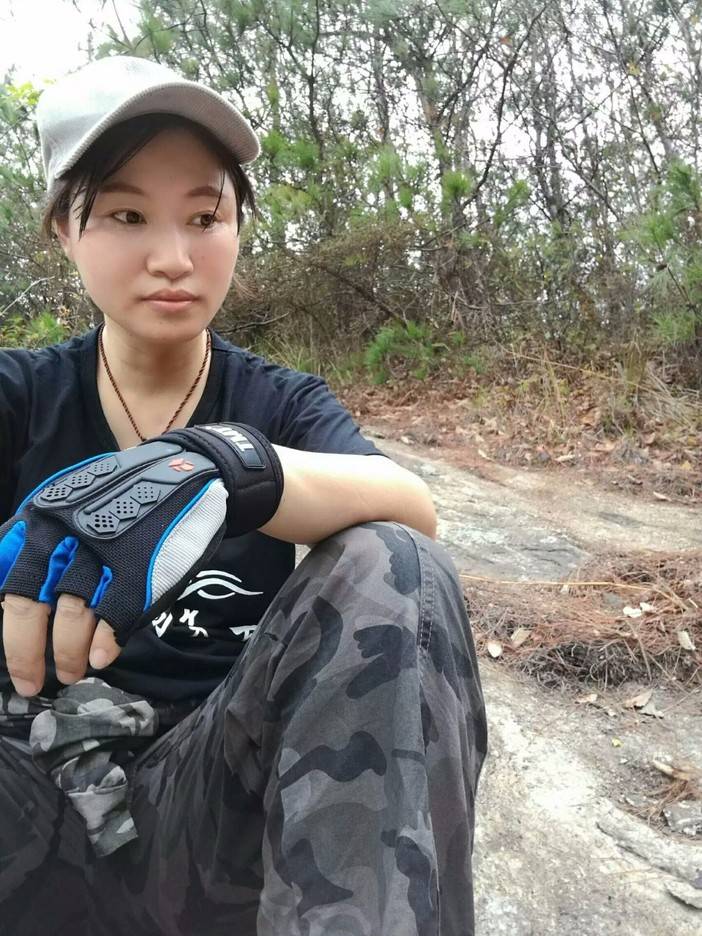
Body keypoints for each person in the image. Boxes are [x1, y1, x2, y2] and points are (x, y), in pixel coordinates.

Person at [0, 56, 487, 936]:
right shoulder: (20, 396)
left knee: (396, 562)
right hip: (24, 795)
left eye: (205, 217)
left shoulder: (277, 401)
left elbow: (412, 511)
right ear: (63, 230)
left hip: (208, 809)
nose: (173, 258)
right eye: (126, 215)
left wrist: (227, 466)